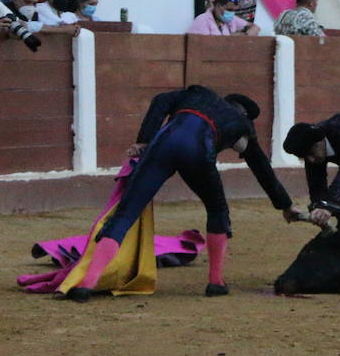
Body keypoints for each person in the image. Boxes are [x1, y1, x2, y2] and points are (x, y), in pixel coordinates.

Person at [61, 86, 292, 301]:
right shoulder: (242, 125)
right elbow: (262, 168)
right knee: (217, 209)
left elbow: (160, 100)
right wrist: (285, 205)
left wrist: (144, 140)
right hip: (198, 149)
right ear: (246, 115)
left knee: (125, 213)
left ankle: (87, 284)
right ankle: (216, 282)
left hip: (164, 143)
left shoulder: (198, 92)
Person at [189, 0, 259, 36]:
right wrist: (229, 39)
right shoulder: (202, 20)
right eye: (229, 9)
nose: (232, 13)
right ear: (218, 6)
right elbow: (200, 47)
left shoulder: (231, 19)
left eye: (234, 10)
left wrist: (245, 34)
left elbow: (255, 27)